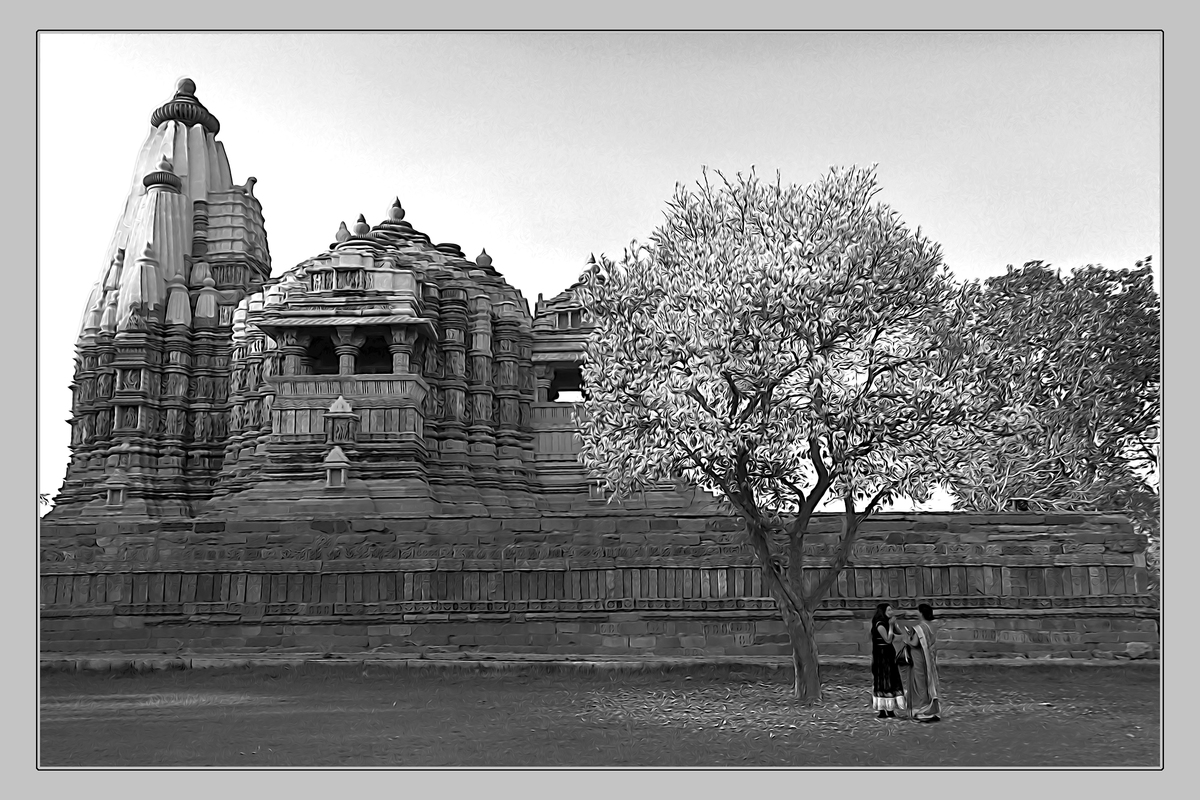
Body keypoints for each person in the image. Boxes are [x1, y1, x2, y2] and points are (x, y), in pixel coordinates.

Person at [901, 603, 942, 722]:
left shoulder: (920, 627)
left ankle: (923, 708)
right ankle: (931, 707)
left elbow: (914, 643)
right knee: (928, 681)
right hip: (928, 658)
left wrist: (907, 639)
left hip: (919, 659)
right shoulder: (932, 626)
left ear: (921, 613)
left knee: (920, 683)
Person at [869, 602, 907, 719]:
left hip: (889, 654)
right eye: (889, 610)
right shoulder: (880, 624)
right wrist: (890, 626)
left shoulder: (887, 622)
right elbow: (888, 639)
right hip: (881, 655)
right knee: (883, 679)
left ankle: (890, 709)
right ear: (883, 612)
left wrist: (894, 624)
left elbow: (899, 633)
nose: (891, 612)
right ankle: (882, 710)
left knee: (892, 678)